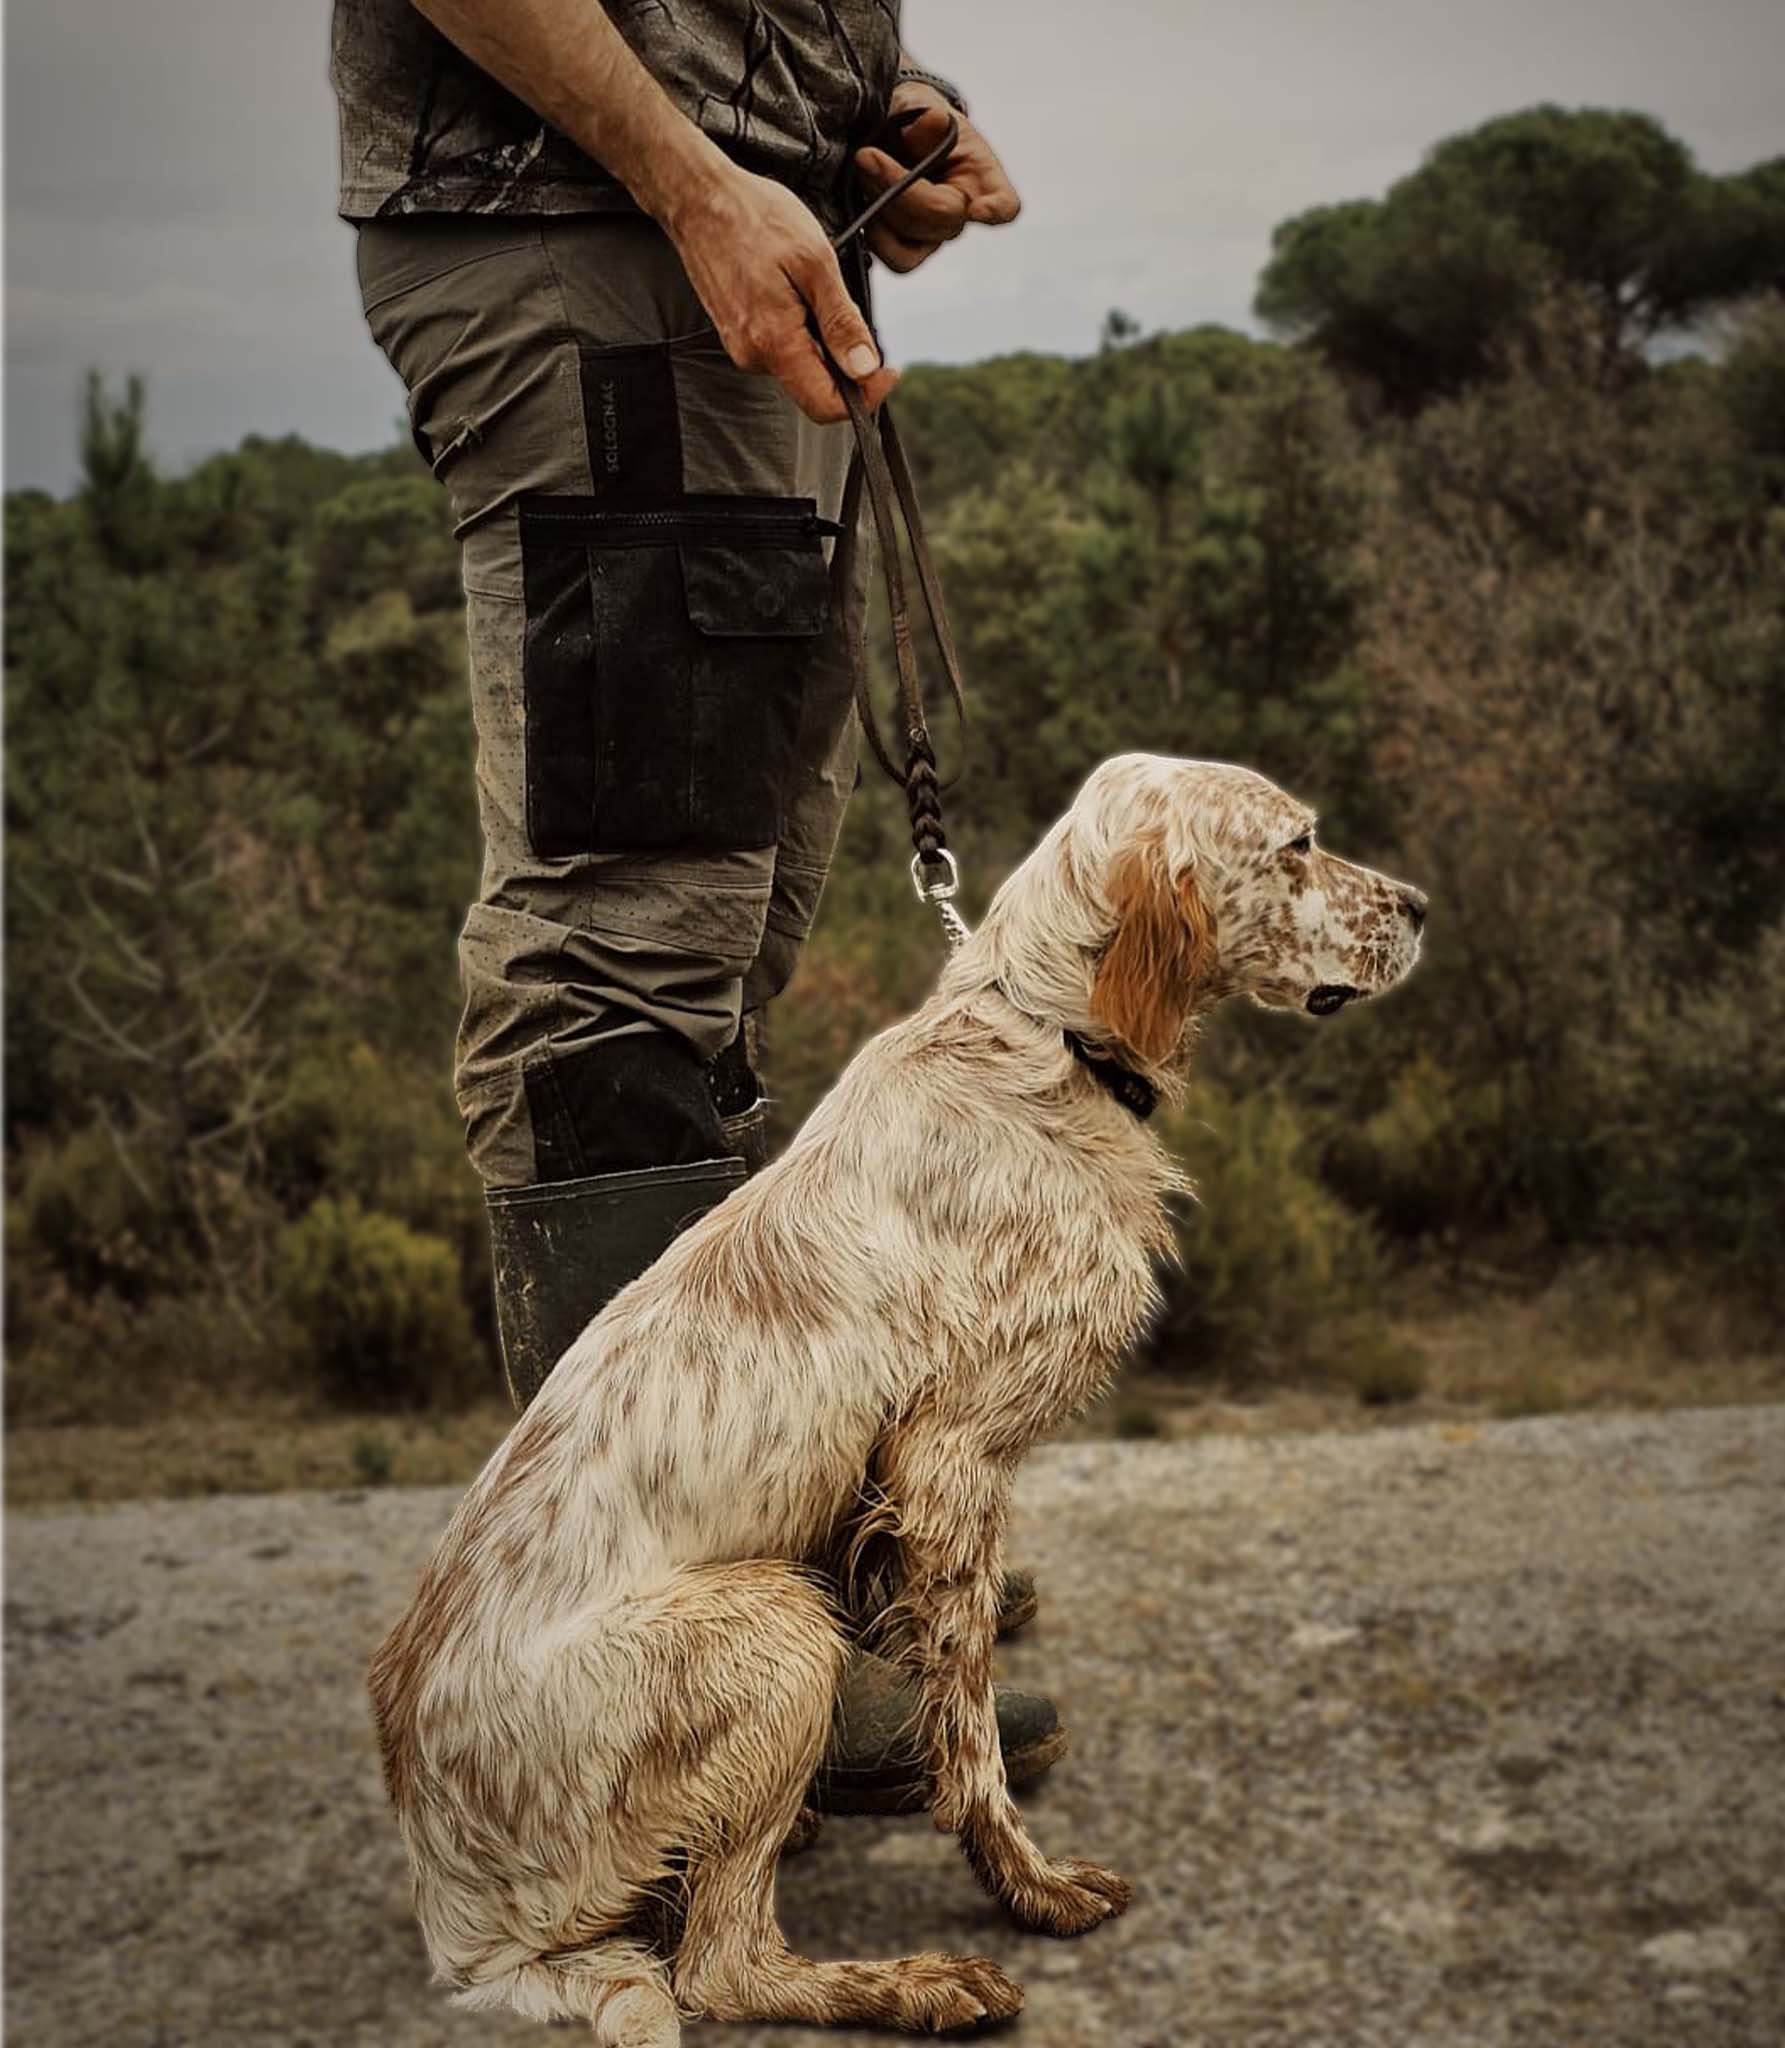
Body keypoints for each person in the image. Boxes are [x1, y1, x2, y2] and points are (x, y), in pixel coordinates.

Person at [331, 0, 1061, 1813]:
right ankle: (662, 1668)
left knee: (723, 929)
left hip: (719, 258)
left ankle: (777, 1577)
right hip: (591, 249)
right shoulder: (646, 207)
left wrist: (872, 113)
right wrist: (690, 178)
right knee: (625, 934)